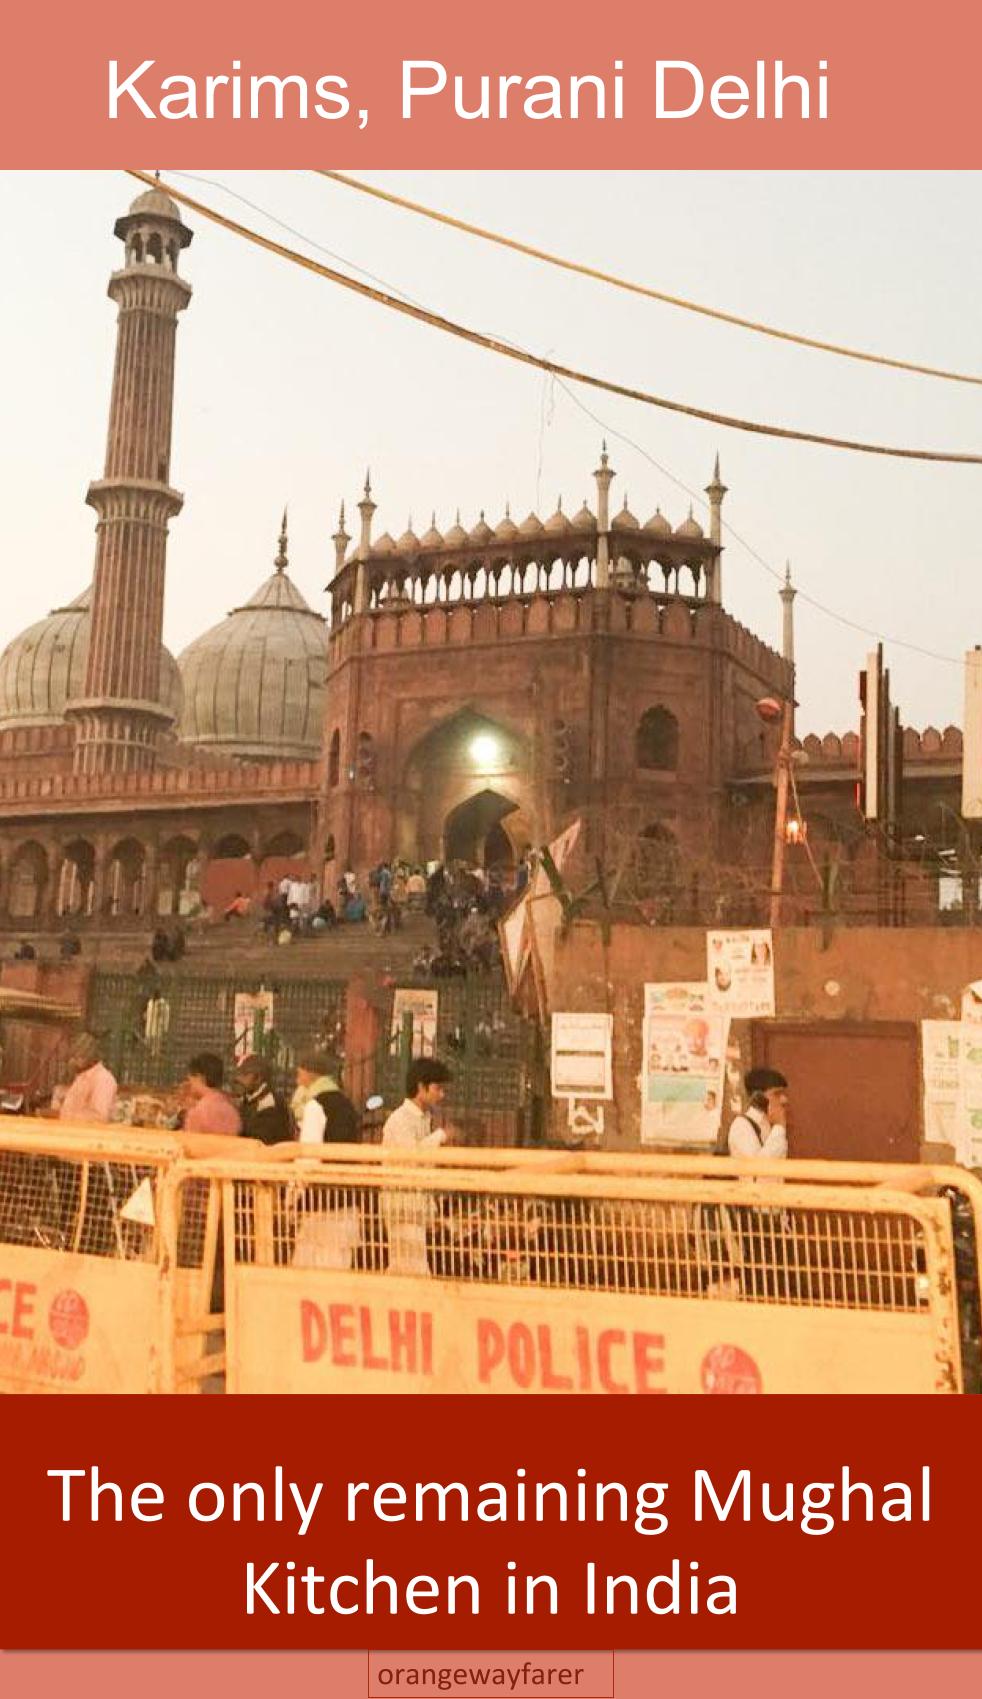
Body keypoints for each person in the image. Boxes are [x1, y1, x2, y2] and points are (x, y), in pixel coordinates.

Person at [380, 1060, 453, 1275]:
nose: (442, 1094)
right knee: (410, 1268)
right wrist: (441, 1136)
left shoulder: (424, 1119)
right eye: (438, 1088)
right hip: (401, 1205)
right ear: (421, 1088)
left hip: (416, 1206)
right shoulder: (400, 1120)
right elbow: (412, 1157)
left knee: (406, 1267)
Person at [293, 1050, 360, 1145]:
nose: (297, 1079)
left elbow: (309, 1149)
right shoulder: (344, 1101)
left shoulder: (315, 1105)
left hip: (326, 1157)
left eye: (299, 1073)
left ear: (310, 1073)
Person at [727, 1068, 789, 1159]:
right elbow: (760, 1168)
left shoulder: (768, 1124)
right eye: (777, 1094)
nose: (784, 1100)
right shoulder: (742, 1126)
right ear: (758, 1097)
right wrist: (779, 1126)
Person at [59, 1033, 117, 1123]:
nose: (75, 1061)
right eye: (74, 1056)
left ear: (92, 1056)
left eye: (80, 1056)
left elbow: (100, 1117)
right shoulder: (81, 1077)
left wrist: (70, 1116)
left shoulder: (104, 1079)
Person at [236, 1054, 291, 1145]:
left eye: (244, 1074)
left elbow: (260, 1141)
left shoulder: (269, 1103)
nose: (238, 1079)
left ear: (258, 1078)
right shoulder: (249, 1099)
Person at [183, 1052, 242, 1135]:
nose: (189, 1084)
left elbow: (191, 1145)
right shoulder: (233, 1111)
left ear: (200, 1077)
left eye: (190, 1080)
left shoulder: (197, 1113)